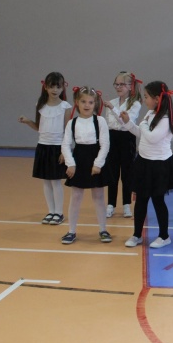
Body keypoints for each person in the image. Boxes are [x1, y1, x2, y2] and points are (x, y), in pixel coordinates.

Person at [121, 81, 173, 249]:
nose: (144, 100)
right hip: (144, 162)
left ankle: (164, 236)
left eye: (146, 97)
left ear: (156, 99)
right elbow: (141, 133)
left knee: (158, 200)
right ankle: (137, 234)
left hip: (159, 165)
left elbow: (152, 137)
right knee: (141, 200)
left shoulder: (165, 118)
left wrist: (143, 124)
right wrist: (128, 123)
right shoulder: (150, 113)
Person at [60, 86, 113, 244]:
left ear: (95, 103)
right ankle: (71, 231)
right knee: (76, 196)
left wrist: (98, 164)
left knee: (98, 196)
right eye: (83, 101)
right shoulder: (72, 123)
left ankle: (103, 229)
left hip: (96, 159)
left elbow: (105, 145)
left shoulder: (100, 121)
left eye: (90, 102)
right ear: (77, 102)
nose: (87, 105)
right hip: (79, 160)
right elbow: (65, 144)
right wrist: (70, 164)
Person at [19, 72, 71, 225]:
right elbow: (39, 127)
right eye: (51, 86)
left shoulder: (65, 106)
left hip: (57, 147)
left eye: (58, 87)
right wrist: (28, 121)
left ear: (63, 88)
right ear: (46, 87)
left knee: (55, 181)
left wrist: (64, 151)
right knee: (46, 181)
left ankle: (59, 213)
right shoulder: (40, 105)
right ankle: (51, 211)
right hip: (43, 146)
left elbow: (68, 131)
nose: (55, 90)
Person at [103, 71, 142, 219]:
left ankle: (126, 204)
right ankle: (110, 204)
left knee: (127, 173)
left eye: (122, 84)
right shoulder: (112, 102)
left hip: (127, 138)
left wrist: (113, 110)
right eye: (116, 84)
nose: (118, 87)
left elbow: (125, 121)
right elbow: (110, 123)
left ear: (130, 86)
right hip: (112, 138)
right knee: (112, 172)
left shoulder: (135, 103)